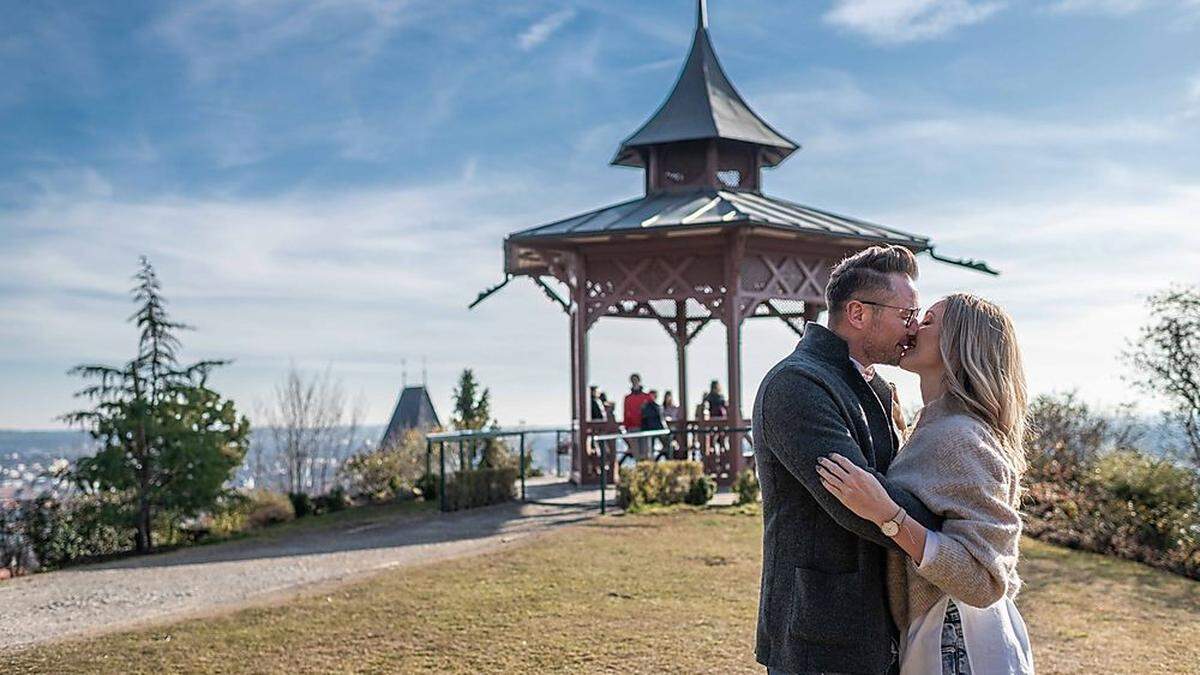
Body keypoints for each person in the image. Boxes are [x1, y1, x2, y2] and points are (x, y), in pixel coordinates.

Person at [817, 294, 1034, 674]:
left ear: (958, 344)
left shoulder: (961, 437)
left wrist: (888, 515)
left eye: (929, 320)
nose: (913, 327)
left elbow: (984, 580)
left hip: (958, 639)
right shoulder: (935, 429)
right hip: (938, 632)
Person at [751, 245, 939, 675]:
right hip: (820, 635)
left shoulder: (877, 387)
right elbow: (853, 506)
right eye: (907, 315)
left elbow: (891, 488)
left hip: (877, 627)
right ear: (858, 313)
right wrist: (954, 527)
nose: (913, 329)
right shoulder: (797, 384)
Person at [623, 373, 653, 458]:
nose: (634, 382)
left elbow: (653, 411)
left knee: (646, 452)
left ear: (639, 381)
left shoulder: (647, 397)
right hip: (633, 427)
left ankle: (646, 468)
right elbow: (625, 413)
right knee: (636, 454)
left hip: (645, 427)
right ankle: (639, 468)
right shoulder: (628, 398)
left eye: (636, 380)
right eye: (633, 380)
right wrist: (626, 427)